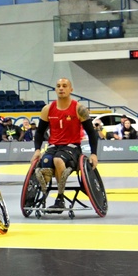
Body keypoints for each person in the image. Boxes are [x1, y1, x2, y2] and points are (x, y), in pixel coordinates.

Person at [33, 77, 100, 212]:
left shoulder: (79, 109)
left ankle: (60, 198)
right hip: (53, 146)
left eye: (64, 86)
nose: (61, 88)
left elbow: (92, 133)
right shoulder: (48, 109)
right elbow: (39, 132)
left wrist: (93, 154)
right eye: (58, 86)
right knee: (45, 161)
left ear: (71, 89)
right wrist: (37, 150)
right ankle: (44, 192)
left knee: (58, 160)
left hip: (72, 147)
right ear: (55, 89)